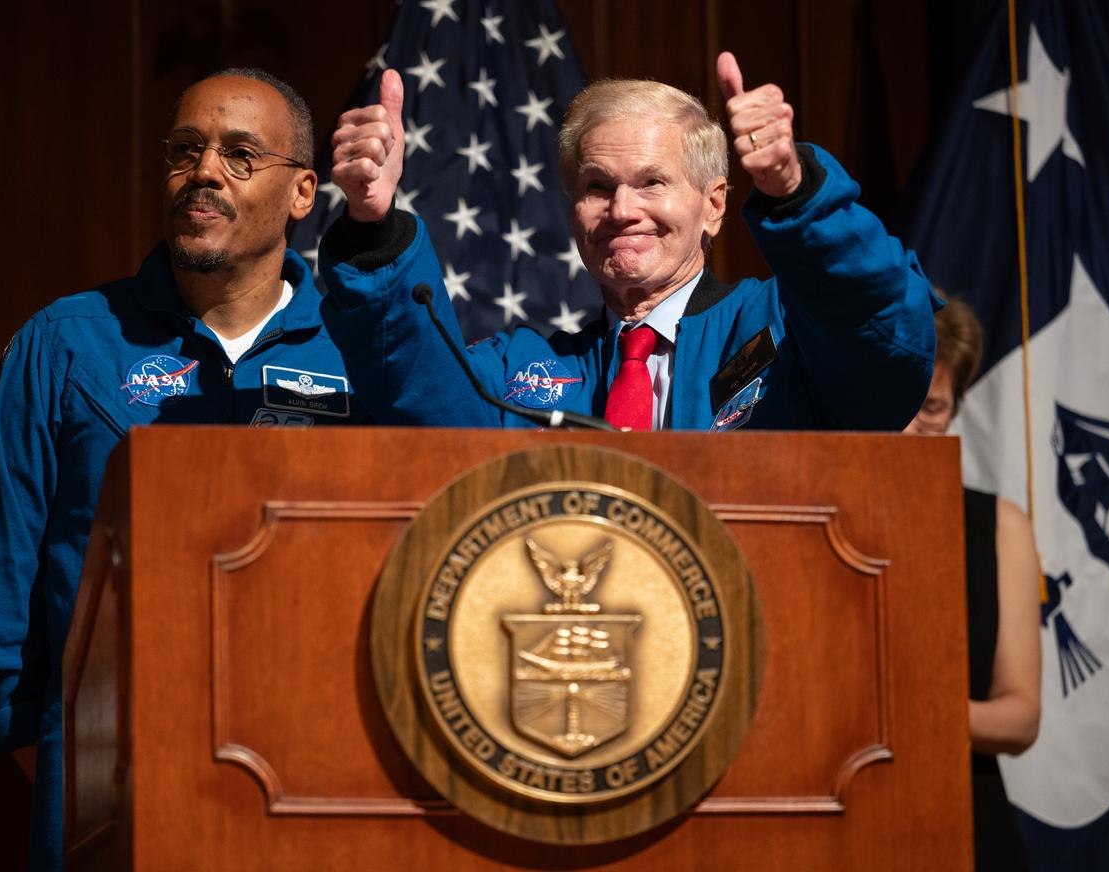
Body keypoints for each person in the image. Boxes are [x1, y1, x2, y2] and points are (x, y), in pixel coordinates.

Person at [0, 69, 385, 871]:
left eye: (241, 155)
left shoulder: (363, 354)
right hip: (107, 785)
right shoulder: (67, 340)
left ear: (304, 192)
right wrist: (50, 749)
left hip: (315, 781)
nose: (204, 172)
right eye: (186, 150)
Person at [318, 53, 940, 431]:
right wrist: (374, 224)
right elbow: (423, 409)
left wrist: (796, 193)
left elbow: (886, 340)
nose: (621, 210)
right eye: (596, 186)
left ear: (714, 205)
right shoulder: (518, 372)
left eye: (651, 183)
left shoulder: (785, 328)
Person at [906, 295, 1042, 870]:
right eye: (901, 401)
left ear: (955, 409)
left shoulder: (999, 525)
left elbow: (1020, 718)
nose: (914, 424)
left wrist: (901, 714)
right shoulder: (812, 512)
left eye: (933, 408)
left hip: (966, 815)